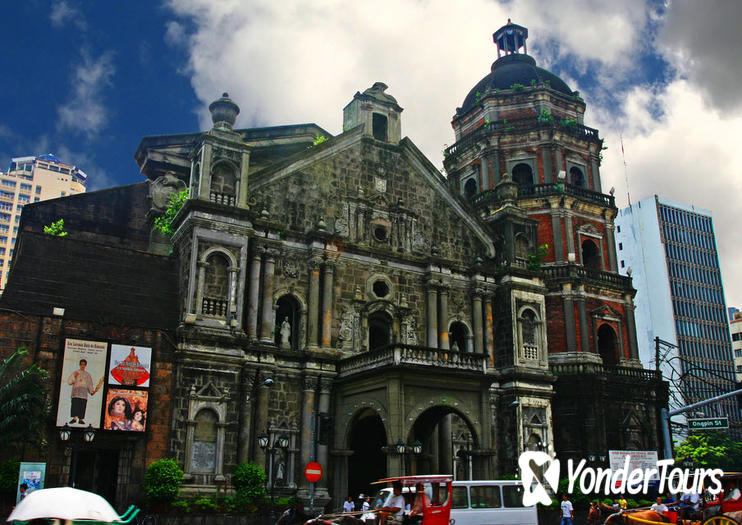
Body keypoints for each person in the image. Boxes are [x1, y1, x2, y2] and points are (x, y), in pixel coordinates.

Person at [67, 359, 102, 425]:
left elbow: (89, 384)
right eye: (81, 364)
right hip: (76, 392)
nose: (82, 366)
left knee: (82, 406)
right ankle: (74, 418)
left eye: (84, 364)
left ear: (85, 365)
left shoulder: (87, 374)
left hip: (83, 394)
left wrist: (91, 391)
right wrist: (74, 376)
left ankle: (81, 419)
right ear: (80, 365)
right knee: (75, 405)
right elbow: (69, 382)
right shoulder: (76, 372)